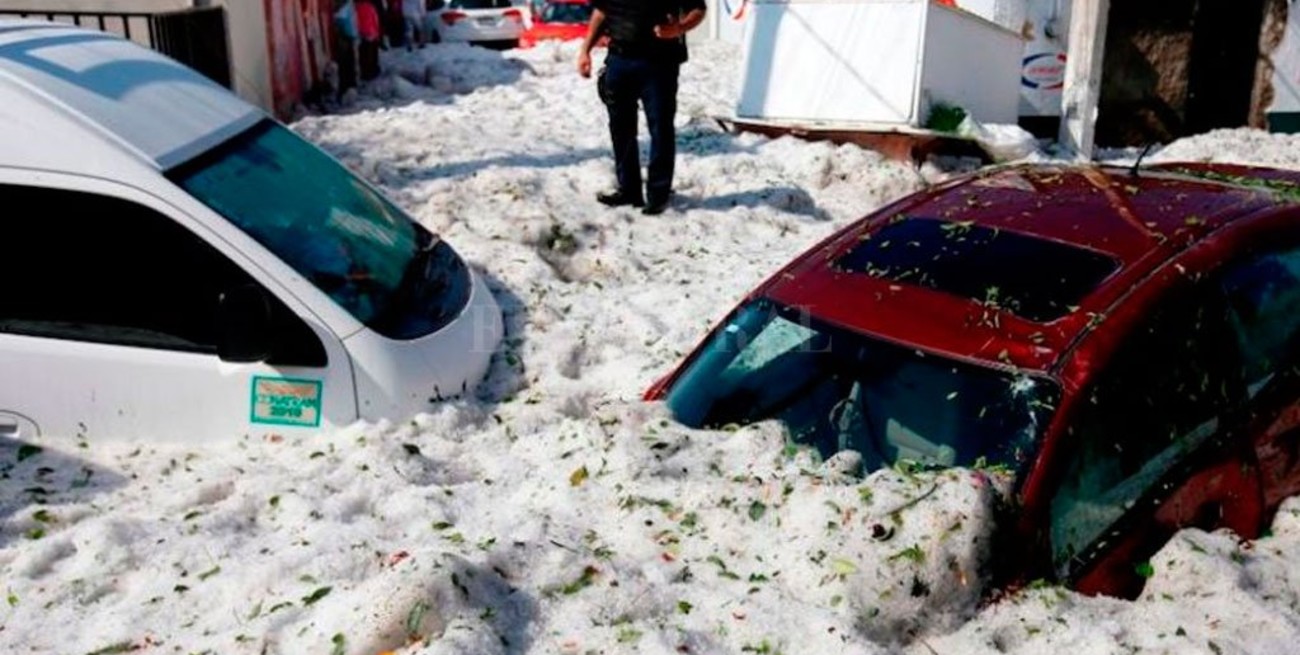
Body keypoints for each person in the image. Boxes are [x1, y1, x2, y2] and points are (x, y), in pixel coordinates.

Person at [576, 0, 706, 216]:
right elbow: (601, 12)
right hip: (619, 59)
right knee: (621, 129)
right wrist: (585, 50)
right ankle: (628, 191)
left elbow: (698, 9)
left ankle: (658, 194)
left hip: (658, 63)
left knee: (660, 128)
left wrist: (678, 28)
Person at [356, 0, 383, 81]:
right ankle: (372, 71)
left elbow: (355, 21)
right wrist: (378, 33)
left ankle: (364, 72)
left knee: (363, 54)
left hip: (361, 33)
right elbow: (375, 20)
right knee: (372, 53)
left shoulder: (356, 8)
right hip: (371, 33)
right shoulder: (371, 7)